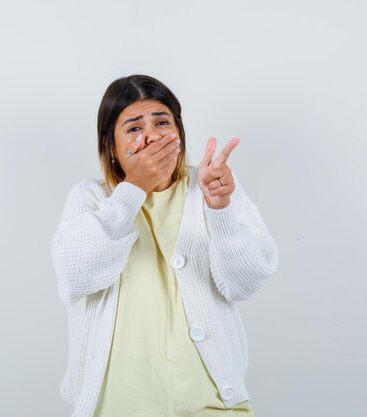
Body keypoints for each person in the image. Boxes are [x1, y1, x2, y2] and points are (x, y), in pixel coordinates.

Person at [51, 74, 279, 417]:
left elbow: (243, 284)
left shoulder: (211, 188)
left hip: (211, 404)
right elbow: (75, 275)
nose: (152, 136)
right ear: (111, 146)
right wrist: (135, 186)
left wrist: (221, 209)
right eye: (133, 128)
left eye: (161, 122)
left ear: (179, 133)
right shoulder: (91, 198)